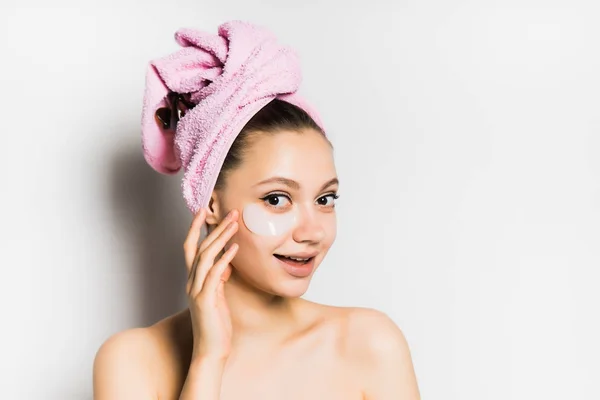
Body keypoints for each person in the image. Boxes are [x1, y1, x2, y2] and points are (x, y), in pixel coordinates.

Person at [93, 21, 420, 400]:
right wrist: (209, 360)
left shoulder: (369, 345)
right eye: (277, 199)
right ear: (210, 202)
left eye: (325, 199)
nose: (312, 232)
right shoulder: (132, 361)